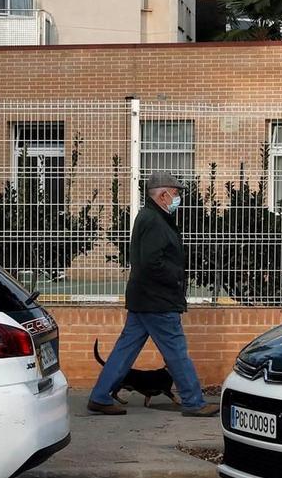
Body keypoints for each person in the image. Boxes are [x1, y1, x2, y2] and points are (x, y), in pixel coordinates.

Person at [87, 173, 214, 417]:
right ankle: (194, 402)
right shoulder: (155, 221)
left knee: (125, 350)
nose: (178, 198)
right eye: (175, 194)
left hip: (145, 299)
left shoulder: (151, 217)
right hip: (158, 301)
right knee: (176, 351)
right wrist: (176, 277)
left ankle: (100, 396)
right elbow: (151, 262)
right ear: (163, 194)